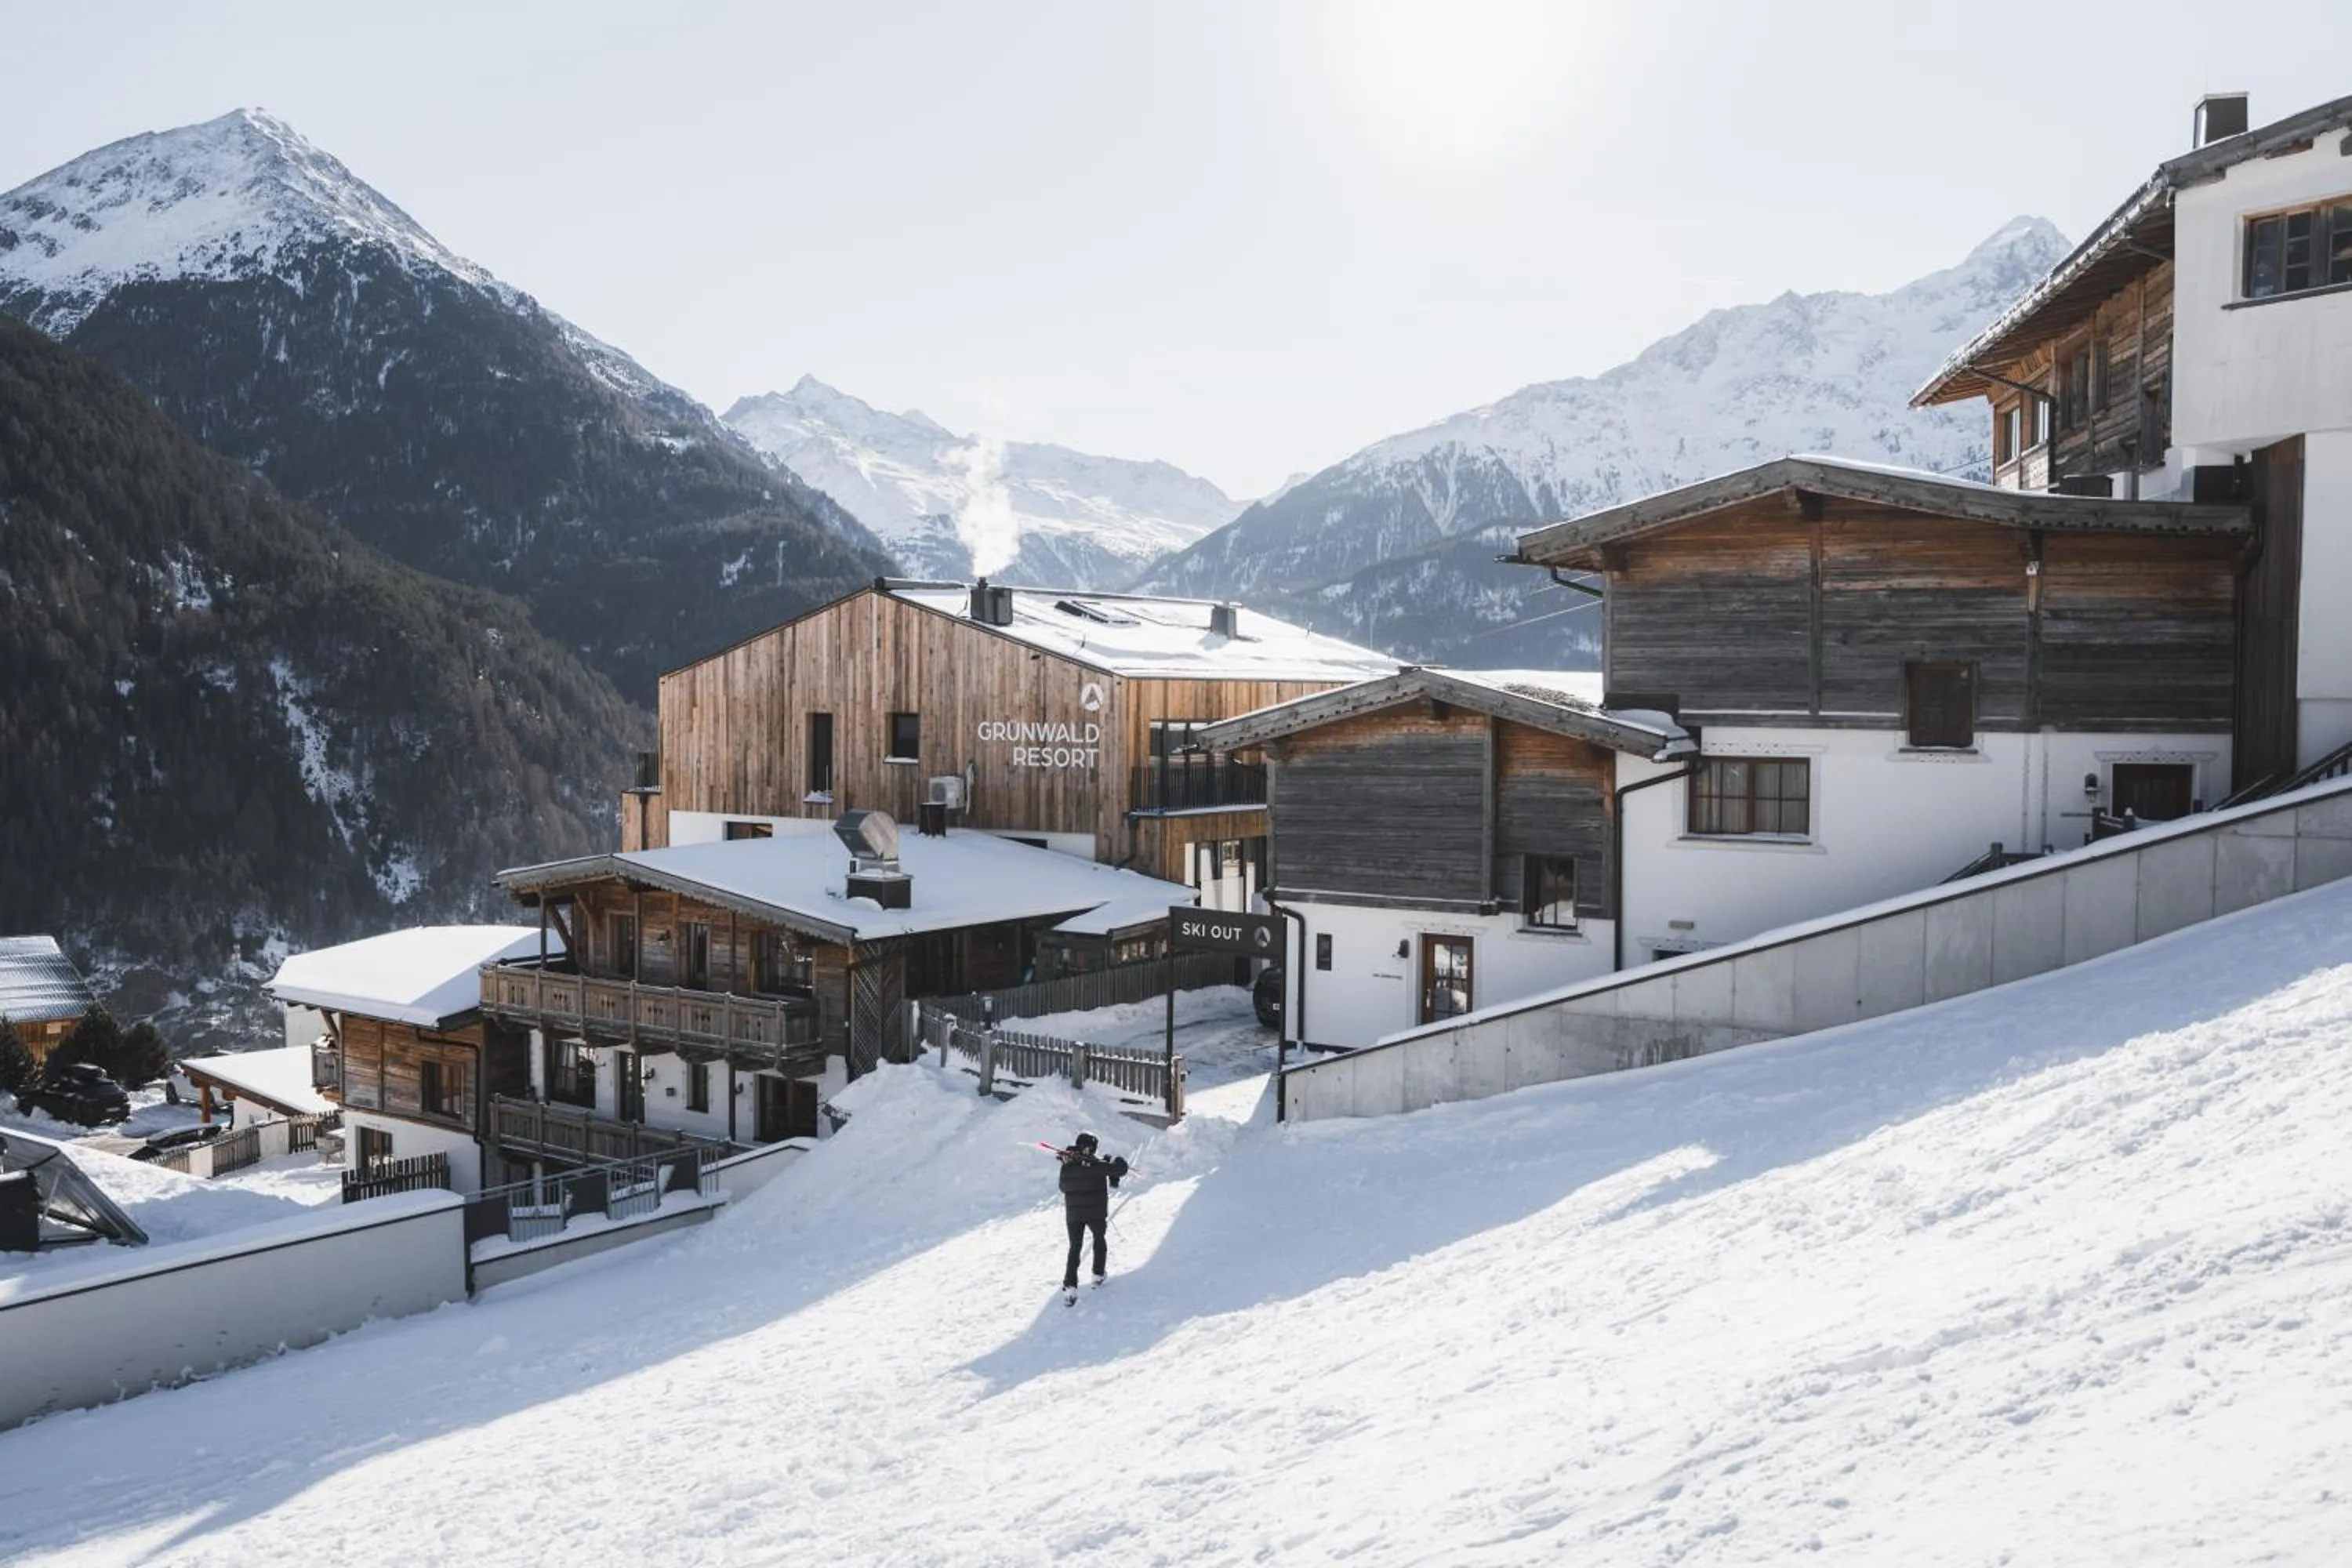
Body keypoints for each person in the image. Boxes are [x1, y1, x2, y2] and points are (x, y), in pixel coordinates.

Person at [1056, 1131, 1128, 1290]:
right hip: (1095, 1212)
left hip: (1073, 1215)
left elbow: (1062, 1187)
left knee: (1075, 1246)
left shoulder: (1067, 1165)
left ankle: (1070, 1285)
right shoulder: (1097, 1166)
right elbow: (1120, 1170)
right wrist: (1117, 1160)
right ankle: (1098, 1274)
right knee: (1099, 1239)